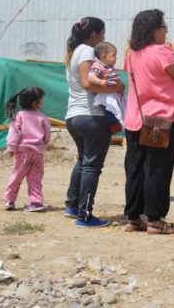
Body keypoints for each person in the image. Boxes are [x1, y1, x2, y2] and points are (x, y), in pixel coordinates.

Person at [124, 9, 174, 235]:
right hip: (160, 119)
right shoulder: (161, 51)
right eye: (164, 26)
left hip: (135, 118)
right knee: (158, 169)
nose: (166, 30)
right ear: (154, 30)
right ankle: (155, 219)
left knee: (135, 169)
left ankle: (133, 217)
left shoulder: (132, 53)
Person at [64, 17, 124, 228]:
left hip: (74, 116)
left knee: (83, 161)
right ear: (94, 34)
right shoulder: (88, 52)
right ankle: (85, 215)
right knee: (92, 166)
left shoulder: (75, 52)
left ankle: (72, 206)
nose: (104, 37)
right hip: (91, 116)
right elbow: (88, 83)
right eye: (103, 33)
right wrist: (117, 88)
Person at [3, 87, 51, 213]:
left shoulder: (20, 116)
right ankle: (36, 202)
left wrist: (11, 148)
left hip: (22, 152)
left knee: (17, 175)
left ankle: (9, 200)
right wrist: (42, 146)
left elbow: (14, 133)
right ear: (35, 103)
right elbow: (47, 135)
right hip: (37, 153)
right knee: (35, 178)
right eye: (41, 99)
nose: (43, 101)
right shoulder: (42, 117)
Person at [88, 41, 125, 134]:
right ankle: (113, 124)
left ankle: (118, 123)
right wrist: (101, 82)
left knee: (118, 108)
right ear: (104, 56)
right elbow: (90, 77)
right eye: (114, 55)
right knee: (109, 109)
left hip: (114, 93)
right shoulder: (98, 65)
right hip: (106, 95)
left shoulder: (109, 67)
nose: (116, 58)